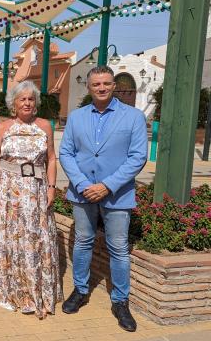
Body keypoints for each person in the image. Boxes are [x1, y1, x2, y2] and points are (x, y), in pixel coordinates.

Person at [59, 65, 147, 332]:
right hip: (82, 192)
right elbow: (66, 153)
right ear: (89, 86)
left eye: (106, 83)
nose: (101, 88)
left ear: (113, 85)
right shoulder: (76, 117)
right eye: (96, 84)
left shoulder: (133, 117)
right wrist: (84, 184)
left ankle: (120, 301)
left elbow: (138, 157)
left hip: (117, 194)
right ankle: (81, 290)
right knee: (83, 241)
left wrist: (107, 186)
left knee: (118, 248)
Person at [0, 80, 62, 319]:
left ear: (36, 103)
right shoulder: (3, 127)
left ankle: (37, 290)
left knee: (36, 239)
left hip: (37, 191)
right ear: (13, 104)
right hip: (9, 193)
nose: (27, 103)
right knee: (13, 240)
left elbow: (51, 159)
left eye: (30, 99)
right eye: (22, 99)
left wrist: (51, 188)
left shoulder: (45, 126)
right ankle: (16, 291)